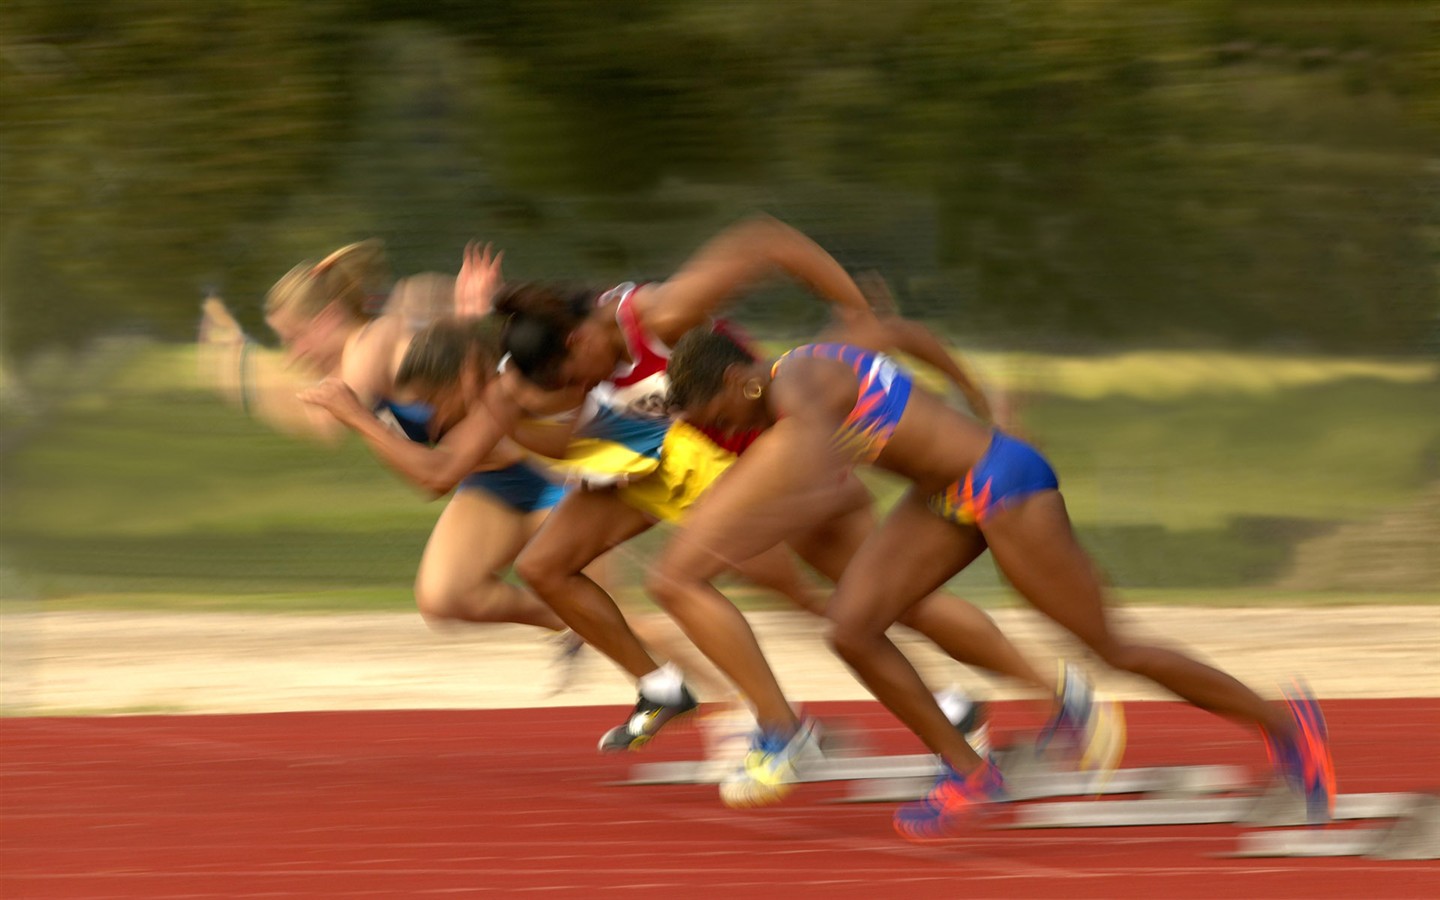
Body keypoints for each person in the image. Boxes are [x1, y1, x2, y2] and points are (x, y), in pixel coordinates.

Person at [304, 217, 1083, 806]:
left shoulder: (651, 316)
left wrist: (853, 312)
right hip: (659, 469)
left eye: (575, 377)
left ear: (583, 337)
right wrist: (358, 416)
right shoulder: (517, 381)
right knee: (550, 566)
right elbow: (440, 470)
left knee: (861, 594)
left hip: (758, 445)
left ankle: (1046, 696)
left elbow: (764, 241)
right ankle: (692, 695)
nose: (573, 391)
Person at [660, 319, 1335, 837]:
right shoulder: (804, 368)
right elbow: (889, 338)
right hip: (944, 496)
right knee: (852, 627)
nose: (726, 434)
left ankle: (1287, 723)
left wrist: (716, 544)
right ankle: (970, 770)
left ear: (738, 383)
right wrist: (974, 392)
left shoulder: (793, 386)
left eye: (720, 419)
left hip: (1004, 487)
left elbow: (804, 474)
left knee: (1112, 647)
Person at [198, 240, 579, 650]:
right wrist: (469, 312)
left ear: (326, 320)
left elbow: (324, 425)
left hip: (550, 466)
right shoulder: (367, 351)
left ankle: (596, 620)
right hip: (494, 479)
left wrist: (241, 372)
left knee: (629, 621)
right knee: (446, 596)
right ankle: (572, 621)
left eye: (294, 338)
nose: (293, 355)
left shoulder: (370, 343)